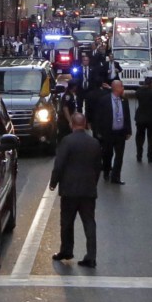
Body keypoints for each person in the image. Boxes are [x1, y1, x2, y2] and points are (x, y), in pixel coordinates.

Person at [49, 113, 104, 269]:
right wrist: (93, 182)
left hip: (69, 190)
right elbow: (98, 167)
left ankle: (66, 250)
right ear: (85, 123)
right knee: (89, 223)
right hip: (88, 190)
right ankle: (91, 256)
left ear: (72, 124)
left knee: (67, 222)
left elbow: (59, 165)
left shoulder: (67, 142)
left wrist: (54, 182)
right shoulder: (94, 143)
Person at [92, 81, 132, 185]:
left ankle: (116, 177)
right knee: (107, 154)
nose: (123, 88)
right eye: (121, 86)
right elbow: (98, 117)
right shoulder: (104, 100)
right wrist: (97, 131)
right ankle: (106, 172)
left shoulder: (124, 100)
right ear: (116, 88)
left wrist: (128, 130)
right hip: (108, 133)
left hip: (120, 133)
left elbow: (127, 116)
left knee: (119, 156)